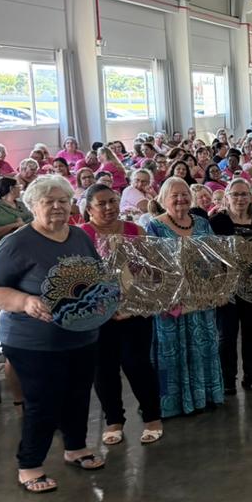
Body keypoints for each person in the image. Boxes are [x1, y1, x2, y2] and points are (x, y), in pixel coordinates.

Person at [0, 175, 107, 493]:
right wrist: (25, 301)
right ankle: (30, 465)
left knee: (78, 394)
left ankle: (75, 448)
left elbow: (96, 275)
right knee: (43, 402)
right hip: (33, 340)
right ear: (32, 206)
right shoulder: (17, 243)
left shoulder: (79, 235)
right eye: (48, 201)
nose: (57, 207)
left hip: (81, 334)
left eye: (63, 201)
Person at [79, 183, 163, 446]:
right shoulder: (80, 235)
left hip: (134, 311)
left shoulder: (135, 231)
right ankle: (114, 420)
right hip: (98, 314)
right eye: (101, 203)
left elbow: (153, 272)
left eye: (112, 201)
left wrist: (132, 303)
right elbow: (77, 278)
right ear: (89, 208)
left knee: (137, 363)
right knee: (103, 367)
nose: (108, 207)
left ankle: (152, 417)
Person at [144, 178, 224, 417]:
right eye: (174, 195)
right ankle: (174, 403)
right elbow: (150, 266)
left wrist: (217, 286)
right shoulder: (155, 226)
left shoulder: (202, 223)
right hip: (172, 301)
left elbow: (216, 256)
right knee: (172, 350)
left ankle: (205, 396)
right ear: (163, 199)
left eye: (184, 194)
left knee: (203, 345)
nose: (180, 199)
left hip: (200, 298)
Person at [208, 178, 252, 393]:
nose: (240, 198)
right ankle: (227, 379)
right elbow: (211, 257)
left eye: (244, 194)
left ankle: (251, 375)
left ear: (251, 197)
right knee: (227, 334)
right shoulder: (217, 222)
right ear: (227, 197)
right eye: (235, 194)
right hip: (227, 287)